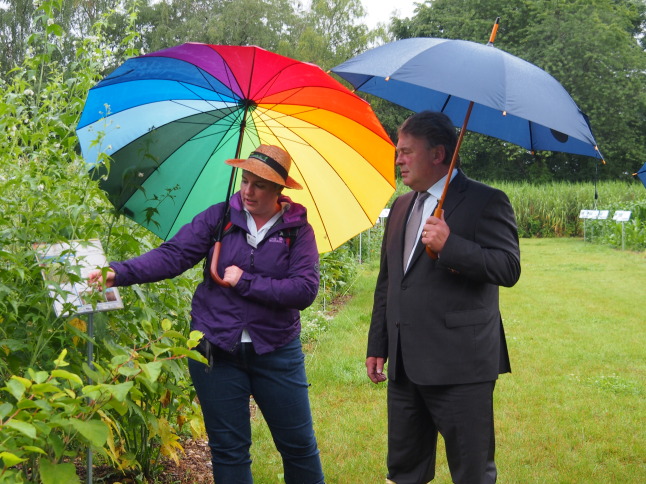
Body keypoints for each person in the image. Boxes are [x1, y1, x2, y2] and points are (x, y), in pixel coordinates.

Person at [88, 145, 325, 484]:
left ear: (279, 189)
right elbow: (173, 256)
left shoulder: (297, 231)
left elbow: (304, 290)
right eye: (245, 181)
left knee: (298, 446)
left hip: (276, 351)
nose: (248, 191)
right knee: (229, 449)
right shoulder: (219, 218)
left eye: (260, 184)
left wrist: (245, 281)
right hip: (216, 350)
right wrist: (118, 273)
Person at [366, 111, 521, 484]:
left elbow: (507, 268)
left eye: (406, 151)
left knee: (471, 472)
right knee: (404, 469)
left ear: (438, 154)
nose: (398, 159)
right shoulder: (402, 207)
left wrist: (451, 246)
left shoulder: (486, 201)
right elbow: (389, 283)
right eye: (397, 152)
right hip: (404, 366)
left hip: (461, 366)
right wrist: (379, 344)